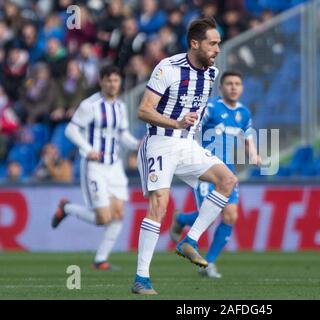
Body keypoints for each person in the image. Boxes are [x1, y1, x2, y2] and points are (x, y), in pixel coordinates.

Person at [132, 17, 238, 295]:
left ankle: (189, 239)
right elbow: (143, 110)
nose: (217, 49)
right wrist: (176, 122)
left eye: (219, 44)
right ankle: (141, 277)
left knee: (227, 180)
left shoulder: (212, 73)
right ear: (194, 43)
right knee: (160, 204)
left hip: (186, 144)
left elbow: (197, 110)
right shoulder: (168, 68)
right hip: (160, 142)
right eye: (212, 44)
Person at [169, 70, 261, 278]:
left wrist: (254, 155)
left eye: (237, 83)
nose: (234, 87)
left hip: (227, 171)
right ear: (221, 88)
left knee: (230, 215)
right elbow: (193, 128)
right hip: (206, 168)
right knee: (209, 214)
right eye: (229, 83)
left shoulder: (244, 113)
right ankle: (181, 219)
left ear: (242, 88)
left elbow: (247, 137)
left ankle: (208, 263)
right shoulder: (210, 108)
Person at [51, 65, 139, 270]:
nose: (112, 84)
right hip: (95, 166)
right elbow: (70, 130)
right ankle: (67, 208)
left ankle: (100, 260)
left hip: (115, 166)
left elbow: (122, 135)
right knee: (102, 218)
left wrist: (136, 144)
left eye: (116, 80)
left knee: (118, 215)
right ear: (101, 81)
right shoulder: (90, 105)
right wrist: (87, 148)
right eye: (108, 80)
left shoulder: (120, 106)